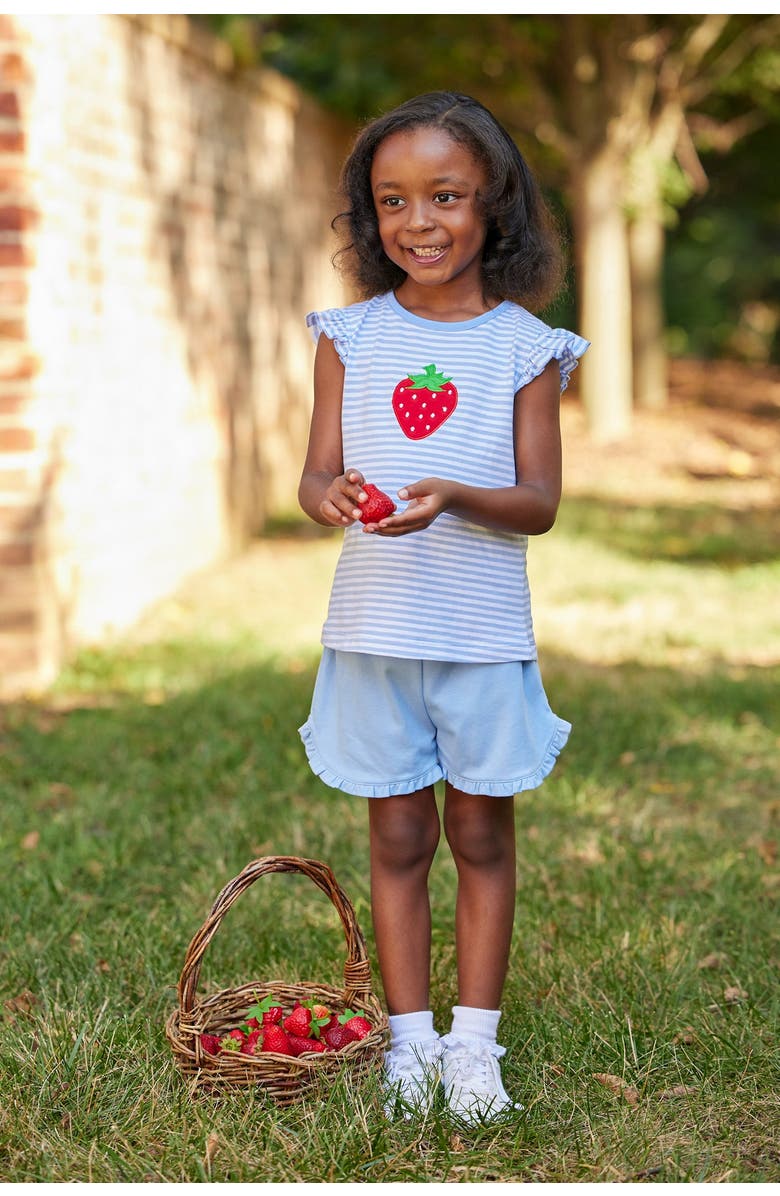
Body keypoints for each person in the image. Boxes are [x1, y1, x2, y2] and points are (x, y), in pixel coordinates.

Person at [297, 91, 588, 1125]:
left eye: (445, 196)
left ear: (494, 202)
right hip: (375, 630)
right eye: (393, 200)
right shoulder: (348, 336)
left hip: (478, 632)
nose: (418, 222)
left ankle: (474, 1045)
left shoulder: (526, 348)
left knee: (480, 831)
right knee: (397, 836)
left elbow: (540, 502)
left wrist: (457, 495)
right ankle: (410, 1043)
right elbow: (316, 474)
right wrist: (332, 495)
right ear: (369, 213)